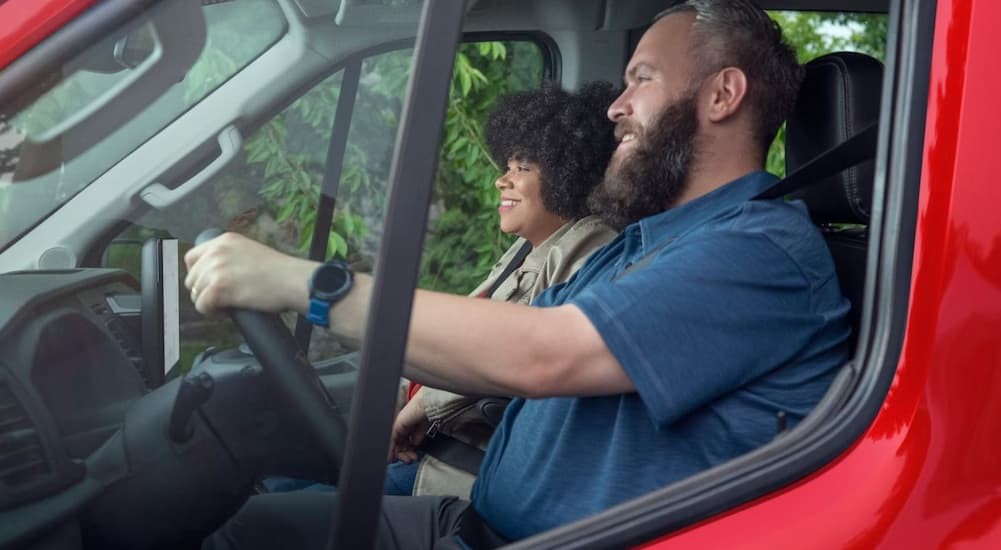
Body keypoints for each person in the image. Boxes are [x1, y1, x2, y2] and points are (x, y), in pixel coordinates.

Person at [187, 1, 851, 547]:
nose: (615, 107)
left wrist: (307, 286)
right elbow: (516, 337)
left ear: (721, 94)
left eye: (640, 78)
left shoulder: (760, 250)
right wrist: (426, 400)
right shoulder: (645, 242)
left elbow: (545, 354)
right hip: (478, 523)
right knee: (233, 521)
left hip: (535, 540)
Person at [390, 81, 618, 498]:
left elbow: (516, 350)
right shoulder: (527, 248)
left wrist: (417, 410)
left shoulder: (589, 245)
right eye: (507, 165)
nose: (502, 181)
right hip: (434, 455)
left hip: (464, 476)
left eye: (522, 168)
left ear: (570, 173)